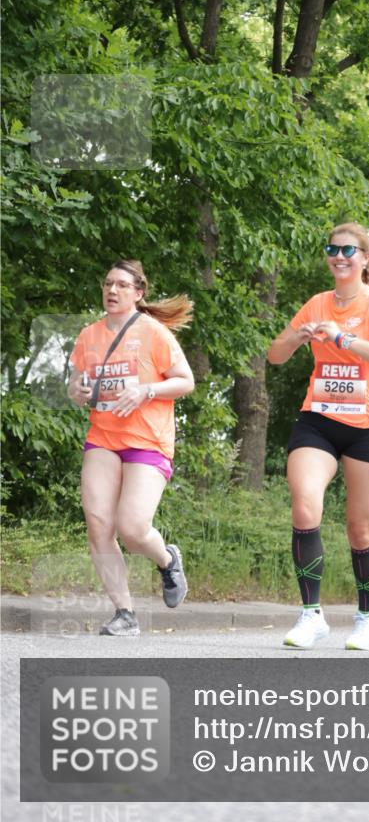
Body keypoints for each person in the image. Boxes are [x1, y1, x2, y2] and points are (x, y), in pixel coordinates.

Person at [268, 222, 369, 651]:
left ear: (365, 259)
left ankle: (368, 618)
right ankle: (311, 615)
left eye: (349, 249)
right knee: (304, 503)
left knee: (359, 528)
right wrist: (299, 334)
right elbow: (275, 356)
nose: (340, 255)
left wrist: (344, 338)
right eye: (333, 248)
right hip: (319, 421)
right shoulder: (316, 304)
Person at [68, 260, 195, 636]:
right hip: (104, 438)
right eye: (108, 283)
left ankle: (167, 558)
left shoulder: (153, 333)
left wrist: (146, 390)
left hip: (147, 440)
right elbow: (78, 386)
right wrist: (76, 391)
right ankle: (125, 613)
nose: (112, 290)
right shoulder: (88, 336)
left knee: (133, 528)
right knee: (98, 525)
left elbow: (185, 381)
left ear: (138, 293)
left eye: (122, 285)